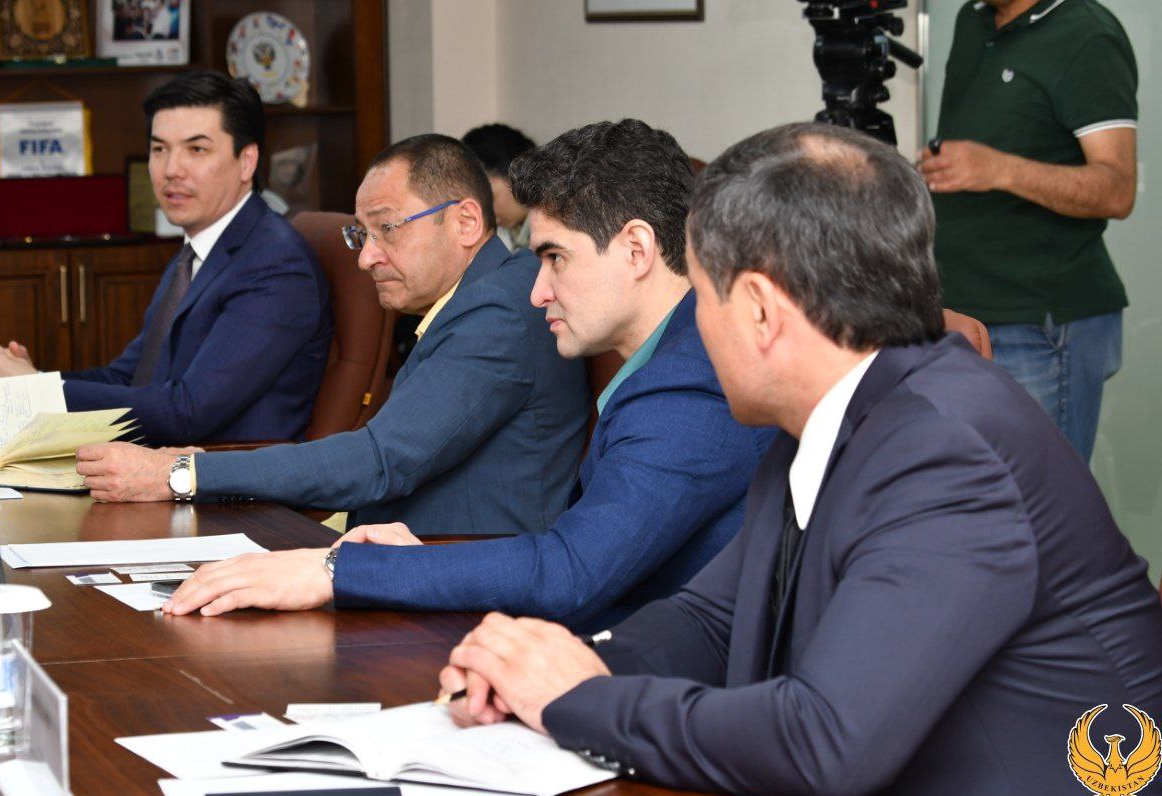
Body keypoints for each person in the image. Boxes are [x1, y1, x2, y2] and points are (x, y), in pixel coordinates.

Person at [438, 123, 1162, 796]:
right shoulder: (841, 415)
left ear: (759, 308)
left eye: (701, 297)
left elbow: (826, 739)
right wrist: (553, 666)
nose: (695, 328)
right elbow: (714, 619)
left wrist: (579, 699)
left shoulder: (948, 449)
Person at [158, 119, 775, 631]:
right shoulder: (674, 360)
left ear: (636, 250)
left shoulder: (689, 386)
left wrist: (337, 573)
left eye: (555, 258)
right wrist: (415, 560)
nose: (537, 292)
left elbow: (570, 573)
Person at [76, 134, 589, 536]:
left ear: (466, 222)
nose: (367, 258)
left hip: (460, 583)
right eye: (361, 235)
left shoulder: (499, 312)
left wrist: (182, 474)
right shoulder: (479, 295)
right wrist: (202, 465)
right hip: (394, 549)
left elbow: (378, 461)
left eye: (387, 229)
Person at [0, 70, 332, 447]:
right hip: (158, 464)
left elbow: (189, 412)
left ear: (247, 161)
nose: (171, 170)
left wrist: (32, 394)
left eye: (196, 150)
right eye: (159, 150)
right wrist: (23, 384)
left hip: (224, 476)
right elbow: (130, 378)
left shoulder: (275, 265)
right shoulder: (196, 253)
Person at [919, 0, 1137, 462]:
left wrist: (999, 169)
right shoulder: (972, 19)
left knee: (1038, 497)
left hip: (1039, 326)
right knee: (974, 494)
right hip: (961, 315)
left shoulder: (1088, 35)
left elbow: (1118, 189)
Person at [463, 123, 536, 252]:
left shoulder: (557, 225)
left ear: (515, 173)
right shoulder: (509, 234)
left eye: (490, 199)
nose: (486, 214)